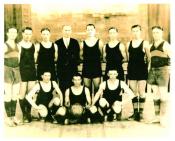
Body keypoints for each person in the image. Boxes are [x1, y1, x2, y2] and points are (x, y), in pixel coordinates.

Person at [147, 26, 171, 127]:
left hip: (162, 71)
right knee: (155, 95)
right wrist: (149, 70)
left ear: (162, 33)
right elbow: (150, 60)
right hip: (152, 71)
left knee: (163, 95)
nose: (155, 34)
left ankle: (163, 118)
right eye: (154, 32)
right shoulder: (150, 46)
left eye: (157, 32)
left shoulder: (166, 45)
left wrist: (169, 70)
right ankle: (157, 117)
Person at [126, 24, 150, 121]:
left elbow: (149, 58)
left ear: (140, 31)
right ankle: (135, 113)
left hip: (142, 70)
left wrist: (147, 69)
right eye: (133, 31)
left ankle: (141, 113)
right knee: (133, 93)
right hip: (132, 69)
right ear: (131, 32)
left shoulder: (145, 43)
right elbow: (128, 58)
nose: (135, 33)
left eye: (137, 31)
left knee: (141, 92)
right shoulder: (128, 44)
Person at [18, 27, 37, 123]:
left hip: (32, 72)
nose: (28, 35)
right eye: (26, 33)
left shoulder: (33, 45)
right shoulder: (19, 45)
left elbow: (34, 59)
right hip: (22, 72)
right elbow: (17, 61)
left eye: (30, 34)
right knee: (22, 94)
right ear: (22, 34)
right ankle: (24, 114)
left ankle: (28, 113)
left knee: (30, 94)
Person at [55, 25, 80, 96]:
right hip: (61, 70)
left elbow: (77, 56)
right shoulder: (57, 42)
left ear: (71, 31)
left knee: (72, 87)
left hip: (72, 69)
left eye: (69, 30)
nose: (67, 32)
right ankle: (63, 104)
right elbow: (56, 57)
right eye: (65, 30)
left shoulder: (75, 42)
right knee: (62, 87)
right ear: (62, 31)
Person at [80, 24, 103, 98]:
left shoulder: (99, 42)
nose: (90, 31)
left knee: (97, 89)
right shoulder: (82, 43)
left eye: (91, 29)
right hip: (86, 68)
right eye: (88, 29)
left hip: (96, 68)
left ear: (94, 31)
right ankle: (88, 107)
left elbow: (102, 55)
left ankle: (96, 107)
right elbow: (81, 56)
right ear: (86, 31)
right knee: (87, 89)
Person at [4, 26, 21, 127]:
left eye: (15, 32)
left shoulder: (18, 46)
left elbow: (18, 60)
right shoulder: (4, 46)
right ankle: (8, 118)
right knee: (8, 95)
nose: (13, 34)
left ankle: (13, 117)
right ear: (7, 33)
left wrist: (16, 70)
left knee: (15, 95)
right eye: (11, 32)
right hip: (7, 71)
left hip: (16, 70)